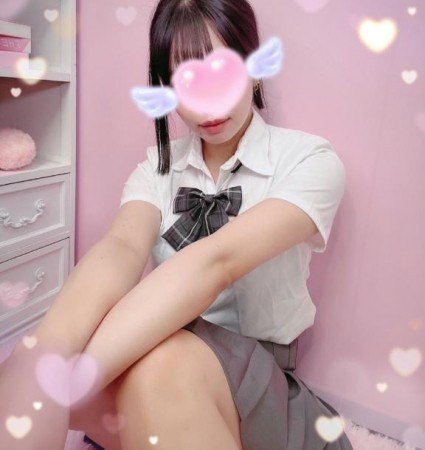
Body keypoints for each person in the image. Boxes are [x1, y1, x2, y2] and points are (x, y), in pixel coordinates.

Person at [0, 0, 354, 449]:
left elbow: (217, 262)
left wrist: (75, 378)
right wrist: (48, 348)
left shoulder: (309, 160)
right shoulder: (155, 170)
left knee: (156, 365)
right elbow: (121, 249)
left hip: (253, 380)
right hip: (158, 344)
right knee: (24, 369)